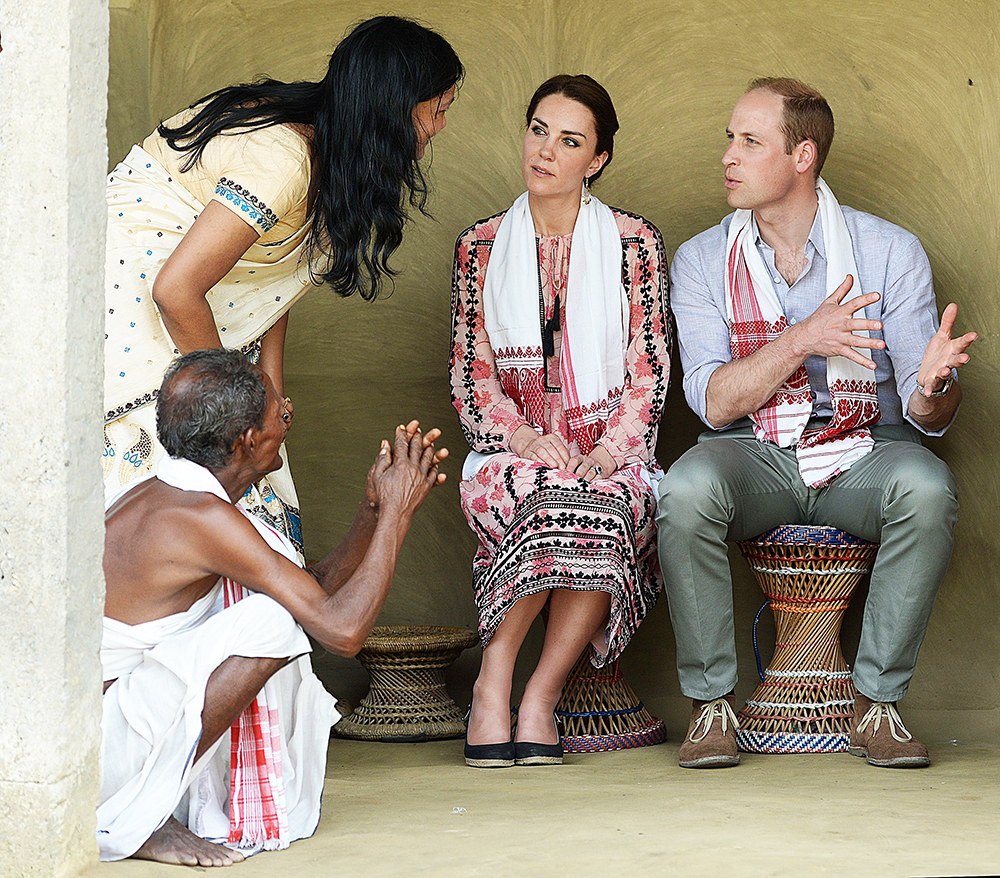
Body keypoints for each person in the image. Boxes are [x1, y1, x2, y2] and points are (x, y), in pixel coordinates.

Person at [658, 77, 977, 770]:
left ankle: (878, 705)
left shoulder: (889, 251)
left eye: (749, 141)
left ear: (803, 156)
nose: (728, 157)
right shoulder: (702, 260)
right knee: (684, 492)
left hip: (866, 449)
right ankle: (711, 703)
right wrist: (804, 338)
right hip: (754, 452)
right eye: (728, 139)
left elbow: (929, 417)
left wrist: (932, 386)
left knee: (927, 489)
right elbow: (713, 404)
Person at [103, 16, 463, 555]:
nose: (437, 127)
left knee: (247, 493)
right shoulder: (284, 158)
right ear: (394, 104)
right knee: (183, 516)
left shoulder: (329, 157)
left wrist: (272, 397)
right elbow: (175, 288)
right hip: (125, 313)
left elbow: (271, 281)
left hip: (189, 326)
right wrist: (243, 408)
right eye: (435, 109)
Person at [99, 348, 447, 865]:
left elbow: (311, 592)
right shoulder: (200, 518)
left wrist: (372, 511)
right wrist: (397, 514)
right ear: (248, 440)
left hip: (112, 731)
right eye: (279, 412)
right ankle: (138, 816)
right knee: (270, 622)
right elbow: (342, 631)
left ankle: (145, 803)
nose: (287, 417)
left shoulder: (176, 494)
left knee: (278, 612)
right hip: (102, 756)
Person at [450, 74, 671, 768]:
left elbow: (650, 369)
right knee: (542, 492)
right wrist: (523, 439)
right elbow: (469, 372)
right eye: (538, 130)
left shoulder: (634, 244)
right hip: (509, 453)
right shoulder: (481, 247)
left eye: (569, 140)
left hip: (609, 455)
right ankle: (494, 679)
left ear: (596, 159)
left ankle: (537, 696)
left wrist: (605, 454)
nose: (545, 151)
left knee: (598, 502)